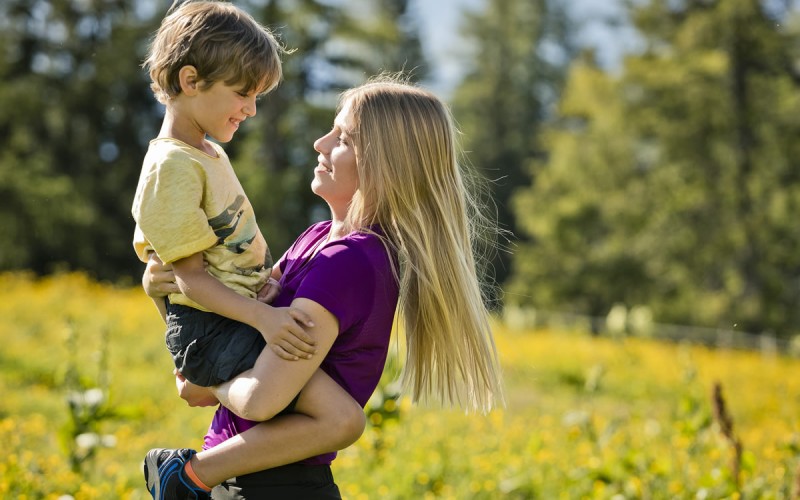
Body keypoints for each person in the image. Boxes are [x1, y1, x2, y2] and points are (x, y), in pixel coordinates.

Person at [142, 75, 505, 499]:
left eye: (344, 138)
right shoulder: (315, 239)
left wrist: (209, 383)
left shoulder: (350, 262)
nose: (320, 143)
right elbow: (218, 344)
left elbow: (259, 399)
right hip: (231, 474)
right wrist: (163, 297)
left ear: (387, 163)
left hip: (273, 487)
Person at [133, 3, 366, 499]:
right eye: (243, 94)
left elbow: (221, 255)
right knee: (341, 418)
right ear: (191, 80)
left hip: (230, 315)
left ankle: (193, 454)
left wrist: (265, 284)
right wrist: (264, 318)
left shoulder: (206, 153)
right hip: (215, 323)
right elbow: (191, 280)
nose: (251, 109)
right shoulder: (171, 167)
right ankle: (183, 471)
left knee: (336, 416)